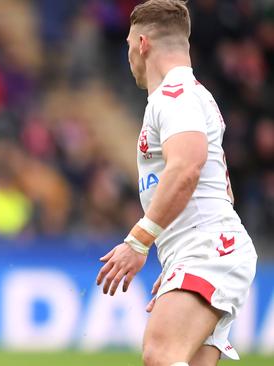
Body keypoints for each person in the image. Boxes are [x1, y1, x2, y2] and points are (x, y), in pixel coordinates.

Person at [95, 1, 257, 366]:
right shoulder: (195, 95)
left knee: (160, 356)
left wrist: (138, 242)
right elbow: (220, 187)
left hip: (208, 248)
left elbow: (187, 168)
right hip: (205, 248)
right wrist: (175, 262)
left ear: (142, 44)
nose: (129, 57)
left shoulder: (174, 96)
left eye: (127, 46)